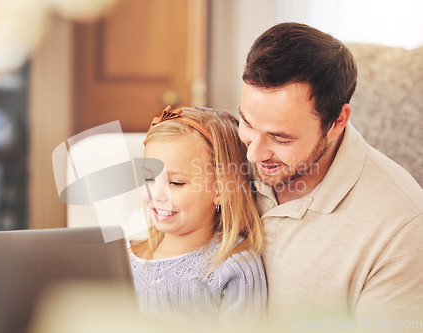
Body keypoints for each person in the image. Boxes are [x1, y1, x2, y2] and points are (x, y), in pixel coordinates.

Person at [239, 22, 423, 330]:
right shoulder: (221, 147)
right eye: (247, 123)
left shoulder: (402, 227)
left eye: (281, 138)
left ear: (337, 121)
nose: (253, 155)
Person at [129, 105, 266, 329]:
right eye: (149, 178)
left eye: (176, 183)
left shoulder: (234, 267)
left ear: (221, 190)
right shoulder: (127, 257)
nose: (157, 194)